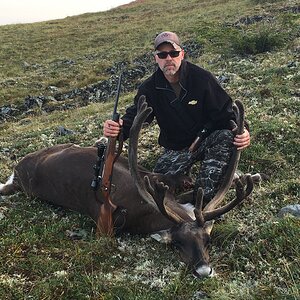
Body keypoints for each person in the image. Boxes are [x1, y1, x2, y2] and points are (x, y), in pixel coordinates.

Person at [103, 31, 250, 204]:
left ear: (182, 54)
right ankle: (192, 180)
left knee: (226, 138)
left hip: (206, 139)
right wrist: (119, 127)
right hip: (176, 149)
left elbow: (227, 112)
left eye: (173, 53)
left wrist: (244, 131)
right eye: (162, 54)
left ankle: (203, 196)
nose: (168, 58)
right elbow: (135, 116)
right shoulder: (149, 89)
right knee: (156, 185)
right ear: (155, 58)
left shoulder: (202, 78)